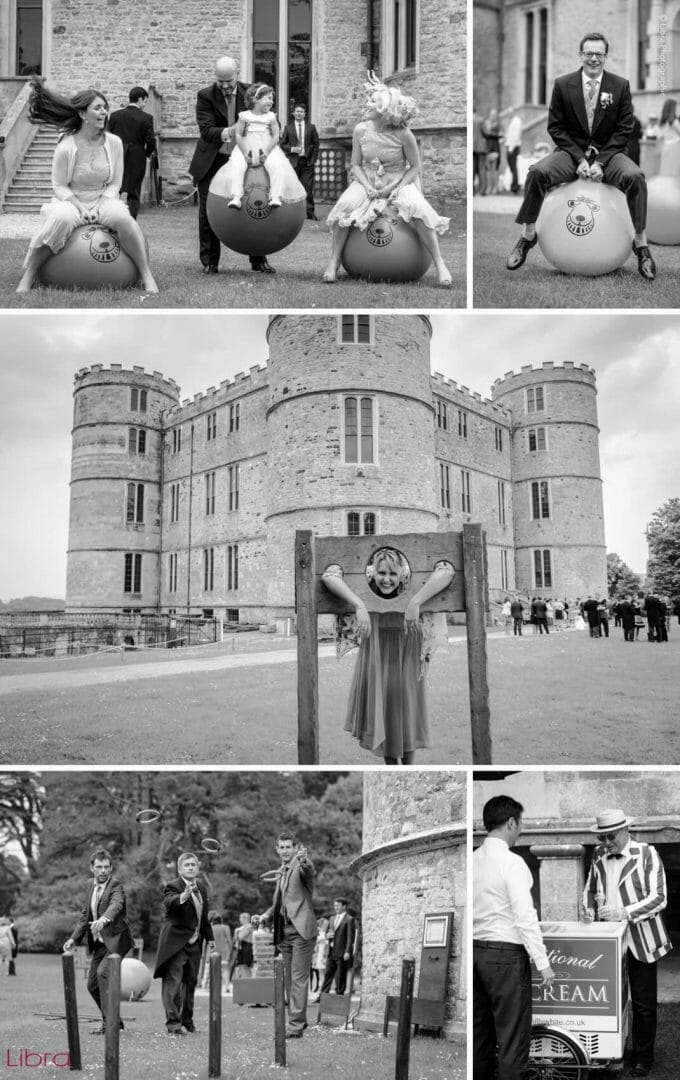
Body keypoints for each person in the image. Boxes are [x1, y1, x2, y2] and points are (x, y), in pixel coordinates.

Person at [506, 32, 656, 281]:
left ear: (605, 56)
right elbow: (555, 127)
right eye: (589, 53)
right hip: (570, 152)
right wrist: (578, 159)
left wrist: (599, 162)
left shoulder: (620, 86)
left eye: (599, 54)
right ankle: (528, 235)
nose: (594, 58)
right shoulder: (563, 84)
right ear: (581, 55)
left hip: (610, 154)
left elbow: (624, 130)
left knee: (636, 177)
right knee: (537, 173)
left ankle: (640, 242)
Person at [17, 79, 158, 293]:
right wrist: (82, 208)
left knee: (123, 218)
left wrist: (100, 204)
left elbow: (115, 182)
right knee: (61, 219)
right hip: (72, 199)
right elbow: (59, 185)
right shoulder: (66, 145)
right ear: (83, 114)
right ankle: (29, 275)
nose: (104, 113)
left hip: (104, 197)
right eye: (98, 108)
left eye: (105, 108)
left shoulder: (114, 142)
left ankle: (146, 274)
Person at [322, 549, 455, 764]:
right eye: (381, 573)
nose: (386, 580)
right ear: (372, 572)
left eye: (393, 574)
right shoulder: (364, 585)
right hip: (376, 652)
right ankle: (392, 768)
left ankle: (409, 770)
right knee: (382, 713)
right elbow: (329, 575)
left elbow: (448, 571)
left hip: (407, 652)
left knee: (406, 712)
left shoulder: (412, 585)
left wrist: (415, 602)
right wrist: (359, 604)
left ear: (402, 574)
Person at [323, 72, 452, 286]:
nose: (366, 104)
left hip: (399, 178)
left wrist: (395, 188)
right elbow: (356, 164)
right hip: (367, 180)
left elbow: (415, 167)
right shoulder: (360, 130)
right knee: (344, 205)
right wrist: (367, 187)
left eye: (372, 101)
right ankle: (334, 260)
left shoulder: (403, 134)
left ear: (384, 109)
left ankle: (440, 263)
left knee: (418, 208)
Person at [582, 808, 672, 1077]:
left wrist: (624, 912)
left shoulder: (647, 854)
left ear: (625, 830)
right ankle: (612, 1053)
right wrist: (587, 909)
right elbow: (590, 889)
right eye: (602, 839)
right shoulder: (599, 855)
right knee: (610, 1003)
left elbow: (660, 898)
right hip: (608, 943)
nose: (606, 843)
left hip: (641, 940)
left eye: (610, 837)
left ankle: (643, 1057)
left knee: (644, 1004)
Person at [473, 795, 555, 1080]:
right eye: (520, 824)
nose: (521, 830)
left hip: (475, 954)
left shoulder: (472, 859)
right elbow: (525, 916)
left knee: (480, 1038)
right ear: (511, 822)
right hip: (505, 956)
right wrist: (543, 962)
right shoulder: (513, 862)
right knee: (512, 1040)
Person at [188, 56, 275, 275]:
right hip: (213, 159)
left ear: (238, 72)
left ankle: (258, 260)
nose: (225, 85)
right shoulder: (205, 96)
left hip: (247, 158)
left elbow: (270, 121)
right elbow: (207, 131)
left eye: (229, 80)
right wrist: (235, 129)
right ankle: (210, 262)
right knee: (207, 211)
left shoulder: (252, 92)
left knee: (255, 204)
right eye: (220, 81)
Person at [63, 848, 134, 1034]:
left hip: (116, 940)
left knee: (103, 973)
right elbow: (85, 915)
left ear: (110, 868)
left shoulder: (116, 885)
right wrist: (73, 939)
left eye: (106, 867)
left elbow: (116, 905)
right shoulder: (89, 885)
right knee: (92, 985)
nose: (103, 871)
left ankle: (108, 1025)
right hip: (99, 943)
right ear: (91, 868)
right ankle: (115, 1022)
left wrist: (103, 920)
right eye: (99, 867)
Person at [208, 83, 306, 211]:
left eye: (272, 99)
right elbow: (238, 134)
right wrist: (244, 153)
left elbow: (276, 135)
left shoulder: (271, 116)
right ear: (256, 99)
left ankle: (276, 196)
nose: (271, 101)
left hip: (267, 148)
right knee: (237, 166)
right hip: (246, 147)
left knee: (277, 166)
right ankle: (236, 197)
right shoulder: (244, 116)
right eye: (268, 98)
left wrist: (266, 152)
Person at [258, 833, 317, 1039]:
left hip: (302, 931)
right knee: (290, 981)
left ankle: (294, 1027)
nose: (285, 850)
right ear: (277, 849)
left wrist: (304, 859)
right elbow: (279, 903)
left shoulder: (300, 866)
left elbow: (308, 871)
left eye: (288, 847)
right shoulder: (281, 872)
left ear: (295, 848)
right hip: (285, 932)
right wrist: (265, 915)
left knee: (299, 979)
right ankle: (298, 1022)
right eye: (281, 847)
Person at [153, 852, 214, 1036]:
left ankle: (187, 1021)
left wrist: (210, 938)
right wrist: (183, 896)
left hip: (195, 943)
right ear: (179, 869)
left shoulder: (202, 888)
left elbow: (203, 917)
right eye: (186, 865)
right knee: (173, 985)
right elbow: (169, 902)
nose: (190, 868)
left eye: (193, 865)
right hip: (176, 943)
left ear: (198, 867)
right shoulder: (173, 886)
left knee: (190, 984)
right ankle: (173, 1025)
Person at [107, 86, 157, 219]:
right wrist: (146, 154)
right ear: (140, 99)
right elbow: (151, 141)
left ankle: (111, 219)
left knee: (114, 190)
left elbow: (107, 137)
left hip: (117, 155)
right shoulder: (146, 118)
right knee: (134, 193)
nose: (145, 104)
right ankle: (130, 223)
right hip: (137, 157)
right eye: (145, 101)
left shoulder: (115, 116)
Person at [280, 104, 320, 220]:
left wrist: (313, 160)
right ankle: (291, 213)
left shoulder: (311, 127)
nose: (299, 113)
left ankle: (310, 213)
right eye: (297, 111)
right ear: (293, 113)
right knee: (291, 187)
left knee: (308, 188)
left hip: (307, 162)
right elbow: (282, 144)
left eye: (301, 111)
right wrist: (292, 149)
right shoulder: (288, 128)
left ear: (305, 114)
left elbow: (316, 144)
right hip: (293, 162)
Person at [321, 898, 355, 996]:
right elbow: (327, 932)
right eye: (335, 905)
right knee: (327, 974)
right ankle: (322, 996)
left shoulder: (349, 919)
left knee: (340, 976)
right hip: (331, 951)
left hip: (342, 952)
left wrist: (347, 951)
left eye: (338, 906)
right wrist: (327, 935)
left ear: (344, 906)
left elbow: (350, 937)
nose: (336, 907)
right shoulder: (331, 918)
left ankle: (339, 996)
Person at [199, 911, 231, 989]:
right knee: (225, 971)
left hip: (211, 952)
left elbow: (205, 942)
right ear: (221, 920)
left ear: (213, 921)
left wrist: (203, 952)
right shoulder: (226, 928)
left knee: (207, 971)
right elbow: (229, 941)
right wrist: (230, 952)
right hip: (224, 953)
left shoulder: (210, 928)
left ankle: (204, 985)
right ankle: (227, 986)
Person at [656, 98, 680, 175]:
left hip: (665, 146)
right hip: (675, 147)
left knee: (665, 170)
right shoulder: (674, 121)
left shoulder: (662, 122)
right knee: (674, 171)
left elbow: (659, 136)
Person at [482, 109, 501, 195]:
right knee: (488, 169)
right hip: (488, 148)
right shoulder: (486, 123)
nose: (492, 117)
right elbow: (485, 133)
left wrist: (491, 131)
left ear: (496, 116)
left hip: (495, 148)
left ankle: (495, 188)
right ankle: (489, 187)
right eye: (491, 115)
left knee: (495, 169)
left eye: (494, 115)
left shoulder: (497, 124)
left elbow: (500, 134)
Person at [310, 916, 329, 997]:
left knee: (324, 972)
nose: (326, 926)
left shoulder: (326, 933)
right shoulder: (318, 933)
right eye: (325, 925)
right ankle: (321, 989)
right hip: (320, 954)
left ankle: (322, 989)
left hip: (325, 953)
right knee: (321, 972)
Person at [231, 912, 254, 981]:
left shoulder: (248, 926)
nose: (239, 920)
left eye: (240, 918)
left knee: (245, 965)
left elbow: (240, 937)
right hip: (243, 947)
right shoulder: (243, 927)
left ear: (244, 919)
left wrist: (236, 931)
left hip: (247, 947)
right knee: (242, 965)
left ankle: (247, 980)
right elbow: (235, 939)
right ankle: (245, 979)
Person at [504, 112, 523, 193]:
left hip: (513, 147)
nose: (508, 115)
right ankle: (514, 185)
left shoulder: (517, 122)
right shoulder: (513, 121)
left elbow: (516, 136)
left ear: (512, 112)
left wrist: (510, 149)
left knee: (513, 167)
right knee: (512, 167)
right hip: (511, 146)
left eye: (509, 113)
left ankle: (515, 187)